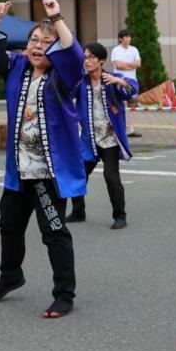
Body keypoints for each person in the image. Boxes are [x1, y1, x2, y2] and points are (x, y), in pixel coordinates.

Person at [0, 0, 84, 319]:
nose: (38, 46)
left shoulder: (65, 75)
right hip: (18, 170)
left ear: (56, 51)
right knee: (8, 224)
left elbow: (73, 52)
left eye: (46, 42)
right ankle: (11, 275)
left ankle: (64, 294)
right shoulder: (17, 66)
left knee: (53, 232)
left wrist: (57, 17)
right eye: (34, 40)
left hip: (48, 172)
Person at [66, 42, 136, 228]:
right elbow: (66, 88)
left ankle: (120, 216)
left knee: (111, 177)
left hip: (109, 140)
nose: (86, 61)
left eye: (91, 57)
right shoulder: (81, 81)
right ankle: (78, 211)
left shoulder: (112, 79)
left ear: (101, 60)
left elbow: (132, 90)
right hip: (89, 140)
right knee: (78, 174)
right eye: (85, 57)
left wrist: (120, 81)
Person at [111, 29, 142, 138]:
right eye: (126, 37)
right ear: (121, 39)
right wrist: (131, 65)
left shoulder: (134, 49)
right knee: (121, 104)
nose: (129, 39)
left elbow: (138, 64)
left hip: (132, 82)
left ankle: (131, 129)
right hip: (120, 81)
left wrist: (126, 65)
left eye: (129, 36)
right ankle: (121, 128)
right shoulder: (116, 50)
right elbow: (118, 65)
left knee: (132, 105)